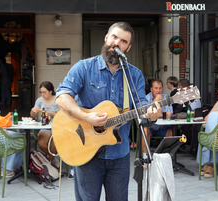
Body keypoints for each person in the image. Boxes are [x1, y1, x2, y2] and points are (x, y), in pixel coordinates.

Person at [55, 22, 160, 201]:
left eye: (123, 41)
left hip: (119, 155)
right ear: (106, 38)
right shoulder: (84, 67)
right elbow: (62, 96)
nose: (117, 43)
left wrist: (152, 113)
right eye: (114, 37)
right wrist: (86, 116)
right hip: (86, 153)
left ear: (128, 47)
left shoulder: (134, 75)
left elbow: (142, 107)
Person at [29, 82, 61, 166]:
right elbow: (33, 116)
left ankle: (49, 164)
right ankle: (53, 158)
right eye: (41, 92)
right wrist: (33, 111)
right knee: (41, 144)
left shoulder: (58, 100)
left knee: (54, 145)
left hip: (58, 126)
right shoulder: (39, 101)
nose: (42, 94)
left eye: (44, 92)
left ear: (51, 91)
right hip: (45, 126)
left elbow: (64, 115)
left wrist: (52, 113)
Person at [142, 79, 173, 162]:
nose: (158, 90)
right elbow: (146, 113)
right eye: (156, 88)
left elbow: (170, 113)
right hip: (150, 127)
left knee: (171, 132)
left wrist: (158, 114)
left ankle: (167, 157)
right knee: (145, 131)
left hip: (163, 127)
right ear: (151, 89)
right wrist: (158, 99)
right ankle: (145, 157)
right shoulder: (146, 98)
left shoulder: (166, 97)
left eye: (160, 88)